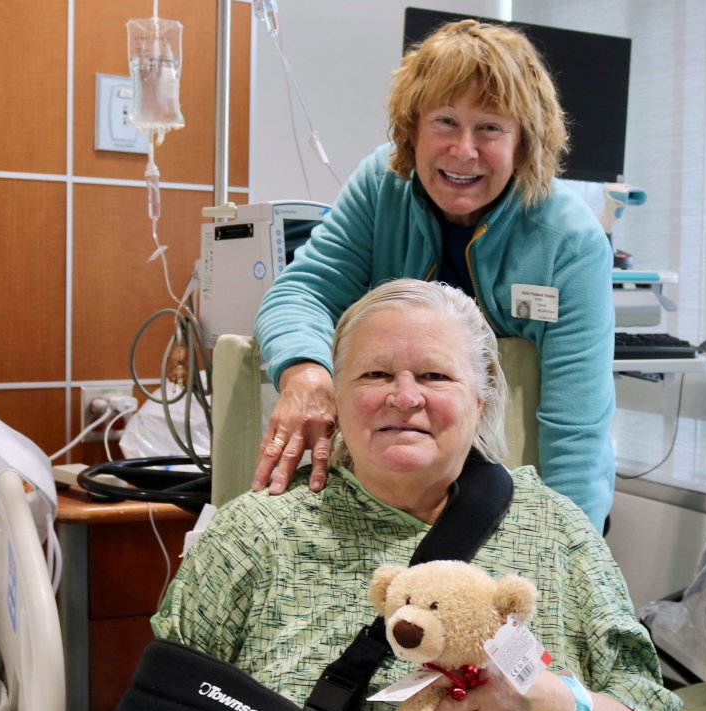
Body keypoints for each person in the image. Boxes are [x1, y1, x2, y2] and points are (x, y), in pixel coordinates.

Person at [155, 280, 691, 711]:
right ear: (336, 399)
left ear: (479, 401)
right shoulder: (255, 532)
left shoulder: (557, 529)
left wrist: (555, 708)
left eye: (435, 376)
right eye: (375, 375)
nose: (405, 397)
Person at [251, 19, 616, 531]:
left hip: (505, 481)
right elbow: (302, 292)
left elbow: (576, 430)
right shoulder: (382, 185)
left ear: (524, 144)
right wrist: (306, 371)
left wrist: (568, 557)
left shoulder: (570, 241)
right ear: (413, 128)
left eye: (490, 127)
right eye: (445, 121)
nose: (464, 150)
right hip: (385, 484)